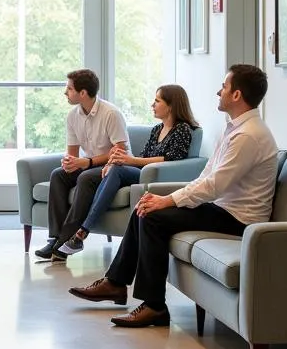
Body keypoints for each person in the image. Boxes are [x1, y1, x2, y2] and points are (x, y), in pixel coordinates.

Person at [69, 64, 277, 328]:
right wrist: (163, 199)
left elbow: (214, 186)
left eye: (224, 87)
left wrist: (167, 200)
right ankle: (116, 283)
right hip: (223, 208)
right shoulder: (235, 129)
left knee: (153, 217)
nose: (218, 91)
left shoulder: (248, 136)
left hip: (238, 218)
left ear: (236, 95)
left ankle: (154, 306)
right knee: (145, 207)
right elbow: (206, 175)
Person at [54, 84, 199, 258]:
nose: (152, 105)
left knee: (115, 170)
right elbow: (143, 156)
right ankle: (78, 234)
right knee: (113, 169)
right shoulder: (157, 130)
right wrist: (114, 161)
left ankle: (83, 231)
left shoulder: (182, 129)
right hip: (142, 171)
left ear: (171, 106)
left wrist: (130, 161)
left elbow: (172, 159)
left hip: (155, 176)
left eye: (157, 101)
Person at [34, 69, 130, 261]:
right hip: (89, 164)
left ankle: (66, 240)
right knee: (58, 174)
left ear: (83, 93)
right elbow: (72, 154)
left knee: (86, 177)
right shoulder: (73, 116)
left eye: (69, 89)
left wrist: (88, 162)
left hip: (113, 167)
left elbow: (120, 151)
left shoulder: (111, 114)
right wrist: (69, 162)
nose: (65, 92)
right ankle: (54, 239)